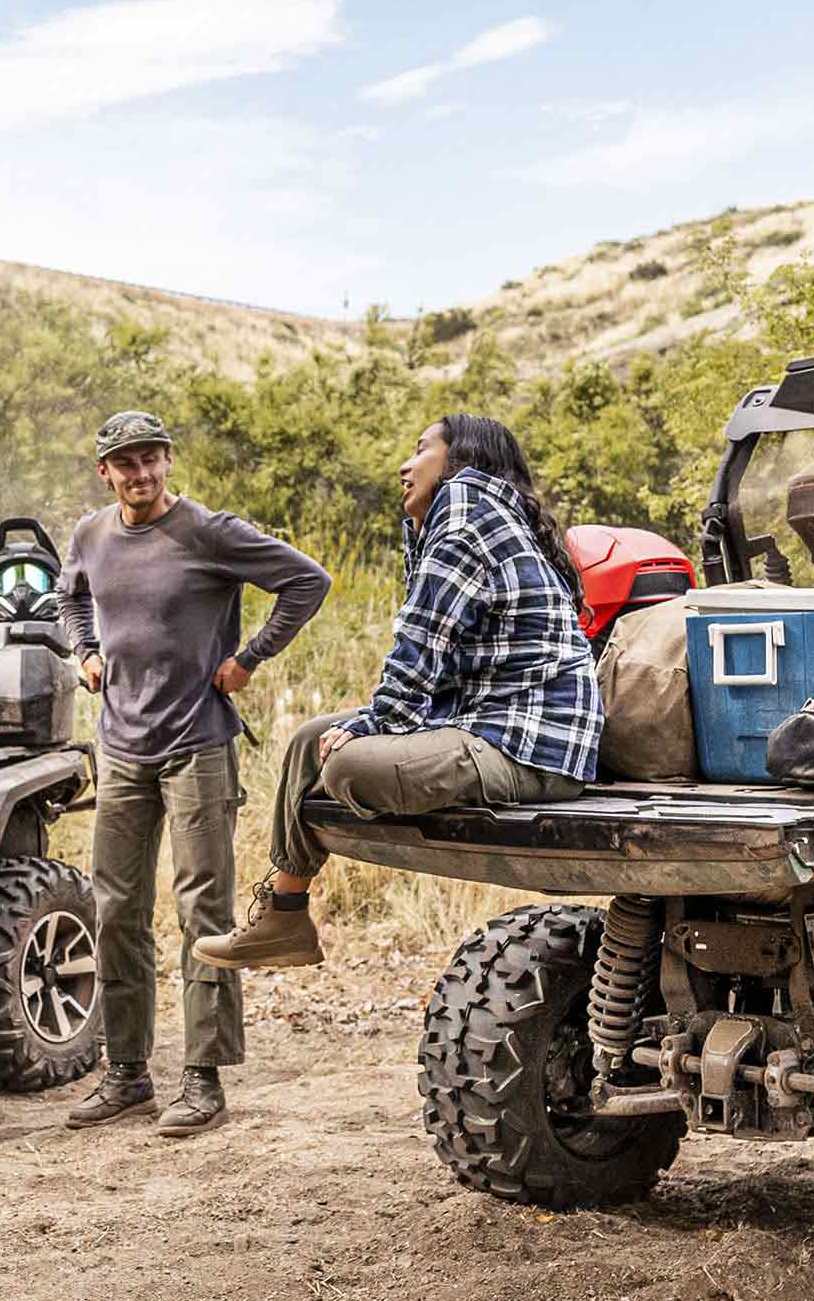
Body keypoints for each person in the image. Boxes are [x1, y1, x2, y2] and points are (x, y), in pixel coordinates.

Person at [200, 416, 602, 971]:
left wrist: (374, 722)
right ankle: (284, 915)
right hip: (480, 722)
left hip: (530, 749)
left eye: (420, 450)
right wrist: (376, 719)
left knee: (345, 765)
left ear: (461, 459)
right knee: (306, 742)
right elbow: (435, 659)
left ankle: (287, 910)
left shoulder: (468, 508)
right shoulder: (465, 515)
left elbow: (423, 641)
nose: (404, 466)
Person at [53, 408, 329, 1139]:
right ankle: (126, 1073)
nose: (141, 474)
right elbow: (70, 596)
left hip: (198, 745)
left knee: (203, 911)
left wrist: (248, 659)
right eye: (126, 463)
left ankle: (202, 1079)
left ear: (168, 461)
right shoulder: (90, 533)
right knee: (115, 909)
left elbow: (308, 582)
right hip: (120, 747)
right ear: (104, 471)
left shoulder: (209, 532)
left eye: (152, 459)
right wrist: (84, 652)